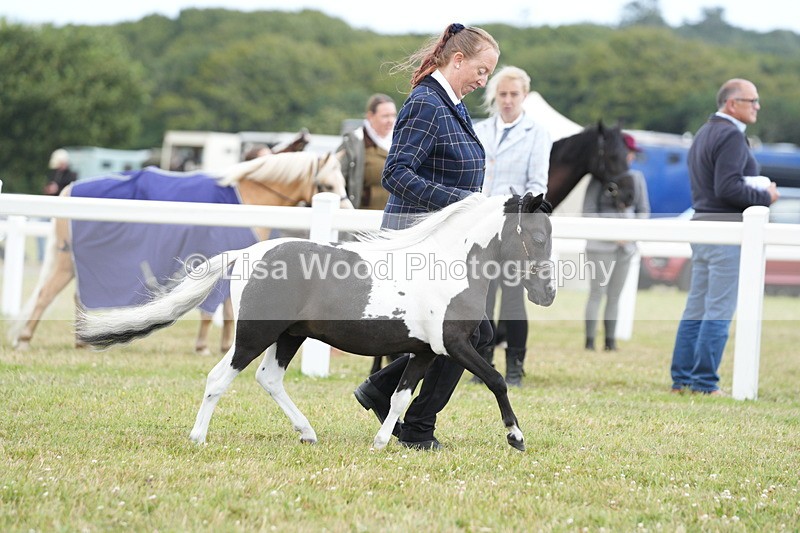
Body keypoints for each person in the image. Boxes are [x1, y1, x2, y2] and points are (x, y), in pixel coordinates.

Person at [353, 23, 500, 450]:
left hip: (440, 241)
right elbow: (396, 173)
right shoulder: (426, 103)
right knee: (471, 333)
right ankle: (417, 426)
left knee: (474, 333)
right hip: (415, 239)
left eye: (488, 73)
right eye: (481, 70)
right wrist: (463, 205)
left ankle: (382, 391)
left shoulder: (450, 102)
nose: (482, 80)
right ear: (457, 60)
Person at [670, 78, 779, 396]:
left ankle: (682, 379)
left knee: (697, 307)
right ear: (732, 104)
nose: (758, 105)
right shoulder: (731, 135)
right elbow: (728, 187)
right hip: (726, 230)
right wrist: (765, 195)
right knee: (718, 308)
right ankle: (705, 382)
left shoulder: (705, 132)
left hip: (702, 224)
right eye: (752, 100)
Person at [472, 65, 552, 386]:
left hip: (515, 228)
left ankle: (515, 367)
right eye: (502, 94)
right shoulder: (479, 130)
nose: (507, 100)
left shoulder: (537, 133)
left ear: (525, 96)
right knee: (483, 297)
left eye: (513, 94)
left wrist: (509, 211)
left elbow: (537, 184)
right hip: (481, 226)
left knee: (515, 299)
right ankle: (484, 363)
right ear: (494, 96)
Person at [583, 133, 650, 352]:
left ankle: (610, 341)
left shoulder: (636, 178)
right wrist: (613, 234)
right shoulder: (598, 179)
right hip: (600, 245)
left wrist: (629, 234)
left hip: (626, 246)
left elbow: (643, 211)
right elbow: (589, 212)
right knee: (597, 293)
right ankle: (590, 340)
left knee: (615, 295)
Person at [338, 93, 397, 209]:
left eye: (393, 115)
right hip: (361, 218)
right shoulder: (352, 143)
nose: (390, 120)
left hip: (394, 218)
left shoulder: (401, 141)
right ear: (370, 116)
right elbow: (337, 179)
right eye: (385, 116)